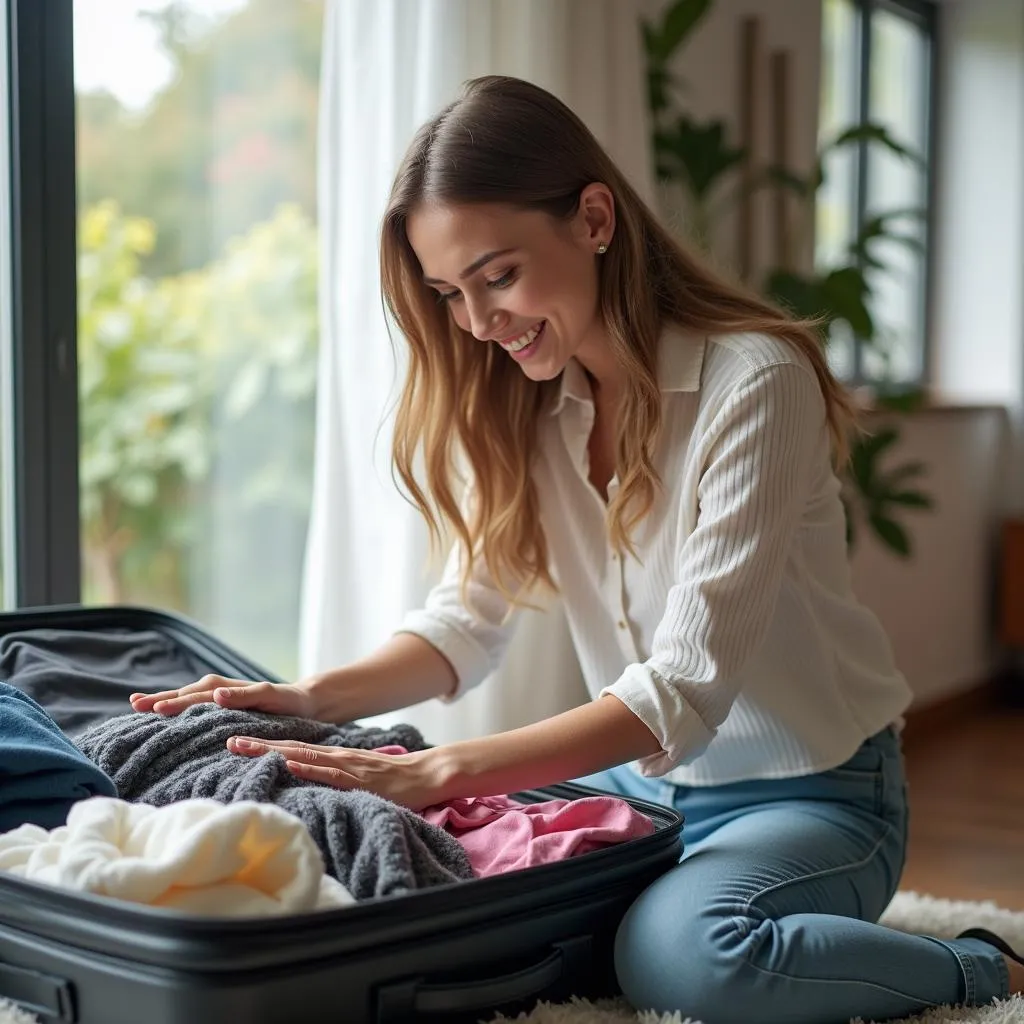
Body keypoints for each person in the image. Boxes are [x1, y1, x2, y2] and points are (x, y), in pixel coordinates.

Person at [130, 76, 1022, 1022]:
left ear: (594, 218)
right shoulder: (531, 407)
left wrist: (446, 767)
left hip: (817, 793)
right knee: (442, 883)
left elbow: (684, 686)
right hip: (646, 781)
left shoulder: (755, 383)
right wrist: (310, 698)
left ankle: (979, 968)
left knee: (686, 960)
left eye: (498, 276)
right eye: (449, 294)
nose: (477, 323)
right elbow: (463, 625)